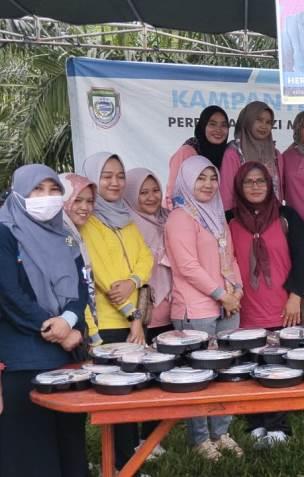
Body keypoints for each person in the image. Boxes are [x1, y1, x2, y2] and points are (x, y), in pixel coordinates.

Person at [0, 164, 90, 477]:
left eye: (53, 190)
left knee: (70, 445)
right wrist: (58, 330)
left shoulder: (65, 236)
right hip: (24, 359)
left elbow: (81, 285)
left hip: (66, 360)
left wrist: (68, 319)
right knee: (34, 454)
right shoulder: (4, 231)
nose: (46, 197)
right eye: (38, 189)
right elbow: (9, 295)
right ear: (19, 192)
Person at [164, 156, 244, 460]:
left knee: (225, 371)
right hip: (196, 309)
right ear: (186, 180)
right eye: (201, 178)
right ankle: (199, 439)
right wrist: (221, 294)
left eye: (212, 178)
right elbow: (187, 266)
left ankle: (220, 432)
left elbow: (231, 258)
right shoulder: (180, 217)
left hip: (227, 305)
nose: (208, 184)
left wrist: (236, 291)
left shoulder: (217, 216)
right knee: (198, 376)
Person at [79, 152, 154, 472]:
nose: (114, 182)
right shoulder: (89, 221)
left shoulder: (125, 218)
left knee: (133, 394)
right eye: (107, 175)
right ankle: (123, 465)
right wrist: (134, 318)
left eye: (119, 175)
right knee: (118, 400)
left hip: (133, 321)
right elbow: (106, 279)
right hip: (109, 325)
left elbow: (145, 260)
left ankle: (127, 460)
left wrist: (135, 280)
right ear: (95, 178)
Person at [228, 162, 304, 447]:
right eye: (248, 182)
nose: (254, 186)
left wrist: (295, 296)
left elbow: (302, 259)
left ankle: (279, 426)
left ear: (269, 184)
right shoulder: (229, 220)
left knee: (277, 368)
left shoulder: (287, 216)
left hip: (282, 308)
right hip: (245, 309)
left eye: (260, 181)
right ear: (239, 186)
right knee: (251, 368)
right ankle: (256, 423)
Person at [124, 168, 175, 459]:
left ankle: (153, 438)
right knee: (137, 381)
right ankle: (132, 441)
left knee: (159, 379)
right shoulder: (129, 224)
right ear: (132, 195)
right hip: (142, 315)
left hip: (169, 310)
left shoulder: (168, 219)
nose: (151, 197)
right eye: (143, 192)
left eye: (155, 190)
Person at [219, 101, 284, 211]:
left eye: (268, 122)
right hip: (241, 220)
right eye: (259, 120)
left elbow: (279, 193)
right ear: (248, 120)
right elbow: (227, 196)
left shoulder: (275, 155)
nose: (264, 126)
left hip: (272, 219)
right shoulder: (233, 153)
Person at [59, 174, 98, 344]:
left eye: (89, 201)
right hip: (62, 328)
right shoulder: (60, 234)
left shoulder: (73, 233)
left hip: (74, 324)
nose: (85, 207)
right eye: (77, 200)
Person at [166, 105, 230, 208]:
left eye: (223, 125)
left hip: (214, 217)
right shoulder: (187, 152)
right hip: (188, 217)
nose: (218, 129)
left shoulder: (225, 154)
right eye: (212, 124)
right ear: (203, 126)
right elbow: (173, 193)